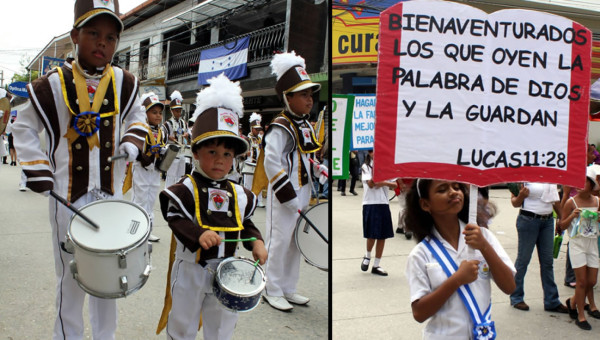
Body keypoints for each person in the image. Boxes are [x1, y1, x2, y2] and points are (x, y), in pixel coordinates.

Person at [11, 1, 148, 338]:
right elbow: (22, 127)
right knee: (70, 279)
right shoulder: (51, 84)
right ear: (75, 35)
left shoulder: (125, 82)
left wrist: (132, 140)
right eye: (93, 33)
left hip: (110, 200)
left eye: (111, 37)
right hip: (66, 199)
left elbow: (138, 117)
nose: (103, 43)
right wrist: (38, 168)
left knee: (109, 279)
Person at [157, 74, 267, 339]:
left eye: (227, 154)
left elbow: (245, 223)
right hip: (190, 270)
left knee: (221, 326)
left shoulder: (239, 194)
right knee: (183, 323)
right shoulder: (186, 188)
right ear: (195, 152)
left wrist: (256, 242)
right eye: (212, 153)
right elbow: (175, 218)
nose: (220, 161)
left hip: (227, 269)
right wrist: (198, 234)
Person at [404, 179, 516, 339]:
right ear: (425, 204)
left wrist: (484, 247)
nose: (453, 192)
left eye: (457, 187)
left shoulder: (483, 237)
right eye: (442, 190)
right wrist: (456, 280)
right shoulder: (420, 254)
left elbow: (510, 287)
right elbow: (419, 313)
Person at [260, 51, 327, 311]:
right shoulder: (280, 125)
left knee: (296, 240)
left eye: (311, 95)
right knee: (279, 240)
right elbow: (272, 162)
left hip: (303, 191)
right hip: (285, 193)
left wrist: (318, 168)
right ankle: (271, 288)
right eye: (304, 95)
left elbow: (304, 157)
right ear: (288, 97)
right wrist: (285, 194)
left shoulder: (304, 125)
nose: (310, 100)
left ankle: (288, 287)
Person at [509, 182, 569, 314]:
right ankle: (516, 297)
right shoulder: (523, 176)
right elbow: (514, 202)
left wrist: (561, 219)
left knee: (547, 262)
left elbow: (555, 201)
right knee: (523, 260)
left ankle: (552, 301)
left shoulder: (549, 173)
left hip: (547, 221)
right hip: (528, 220)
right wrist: (521, 196)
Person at [558, 167, 600, 330]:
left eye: (584, 182)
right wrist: (571, 216)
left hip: (592, 243)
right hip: (577, 244)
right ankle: (581, 315)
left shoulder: (597, 202)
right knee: (581, 282)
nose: (580, 185)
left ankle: (573, 301)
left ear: (591, 184)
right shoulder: (571, 202)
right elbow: (561, 225)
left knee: (592, 281)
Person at [128, 92, 167, 242]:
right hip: (141, 169)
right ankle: (135, 231)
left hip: (154, 171)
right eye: (154, 112)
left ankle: (147, 230)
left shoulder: (161, 131)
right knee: (140, 200)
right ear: (144, 113)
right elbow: (135, 149)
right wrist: (145, 158)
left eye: (160, 113)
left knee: (150, 200)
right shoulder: (140, 128)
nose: (158, 116)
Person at [359, 149, 396, 275]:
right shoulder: (366, 166)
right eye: (372, 151)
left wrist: (382, 182)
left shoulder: (386, 167)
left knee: (382, 235)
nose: (375, 153)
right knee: (371, 234)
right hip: (370, 203)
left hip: (383, 203)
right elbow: (371, 184)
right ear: (369, 153)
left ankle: (376, 265)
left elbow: (394, 184)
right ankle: (367, 255)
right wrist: (382, 181)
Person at [164, 90, 189, 188]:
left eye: (179, 110)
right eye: (176, 110)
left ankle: (177, 192)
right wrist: (168, 137)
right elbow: (161, 138)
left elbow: (188, 140)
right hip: (172, 153)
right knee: (171, 176)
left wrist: (187, 136)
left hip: (182, 153)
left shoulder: (184, 123)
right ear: (171, 111)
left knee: (180, 176)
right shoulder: (167, 124)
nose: (178, 112)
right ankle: (168, 192)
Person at [241, 112, 265, 206]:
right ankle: (248, 202)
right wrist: (245, 154)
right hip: (248, 165)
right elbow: (241, 153)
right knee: (248, 185)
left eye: (259, 129)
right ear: (251, 129)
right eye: (256, 129)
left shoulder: (260, 139)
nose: (258, 131)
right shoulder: (247, 139)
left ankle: (259, 201)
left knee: (258, 183)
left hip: (257, 165)